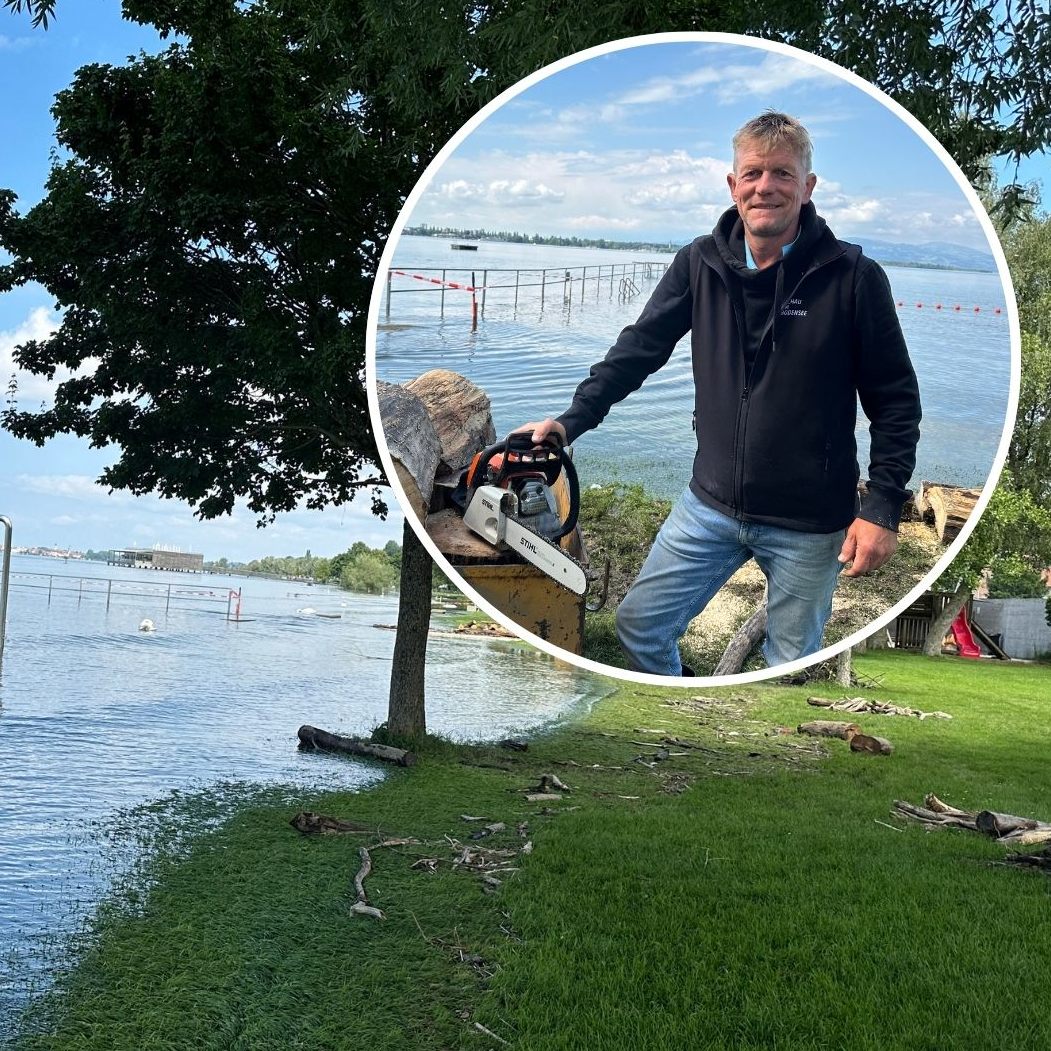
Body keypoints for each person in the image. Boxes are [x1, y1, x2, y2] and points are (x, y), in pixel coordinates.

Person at [522, 111, 921, 676]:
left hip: (811, 522)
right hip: (708, 504)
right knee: (640, 628)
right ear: (733, 185)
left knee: (789, 662)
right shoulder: (699, 263)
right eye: (753, 172)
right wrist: (572, 420)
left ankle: (759, 752)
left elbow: (895, 401)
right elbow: (640, 349)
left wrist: (882, 506)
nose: (766, 187)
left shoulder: (853, 276)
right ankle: (687, 727)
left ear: (808, 187)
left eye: (783, 173)